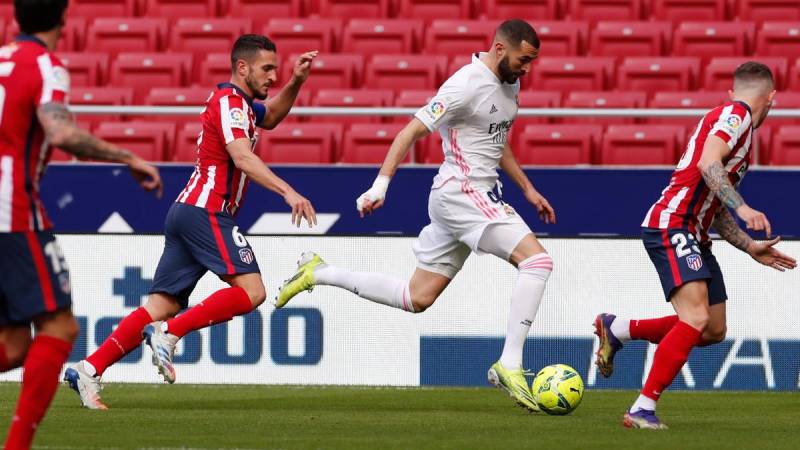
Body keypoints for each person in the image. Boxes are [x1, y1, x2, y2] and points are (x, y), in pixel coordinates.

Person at [274, 19, 554, 413]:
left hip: (470, 197)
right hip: (462, 192)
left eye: (531, 62)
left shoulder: (510, 84)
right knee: (538, 262)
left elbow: (497, 139)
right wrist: (380, 186)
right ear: (499, 49)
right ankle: (509, 364)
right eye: (523, 60)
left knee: (416, 297)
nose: (527, 68)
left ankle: (319, 272)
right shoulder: (464, 84)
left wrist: (527, 188)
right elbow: (409, 132)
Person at [64, 34, 318, 409]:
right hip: (207, 209)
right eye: (267, 69)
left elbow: (273, 116)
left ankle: (87, 369)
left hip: (188, 210)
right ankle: (169, 334)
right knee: (252, 292)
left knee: (160, 306)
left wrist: (296, 81)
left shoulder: (243, 106)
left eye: (275, 70)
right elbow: (242, 157)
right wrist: (288, 192)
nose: (272, 76)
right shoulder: (230, 103)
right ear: (242, 67)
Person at [593, 61, 797, 429]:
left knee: (712, 328)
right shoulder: (737, 115)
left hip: (696, 234)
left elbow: (714, 205)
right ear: (772, 98)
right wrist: (744, 207)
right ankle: (642, 408)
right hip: (673, 224)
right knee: (696, 317)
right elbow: (707, 163)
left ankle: (619, 328)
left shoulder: (737, 127)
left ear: (732, 90)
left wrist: (749, 246)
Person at [0, 0, 163, 446]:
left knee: (14, 345)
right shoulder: (45, 65)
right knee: (60, 328)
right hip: (13, 213)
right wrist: (128, 157)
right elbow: (61, 132)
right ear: (64, 19)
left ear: (17, 17)